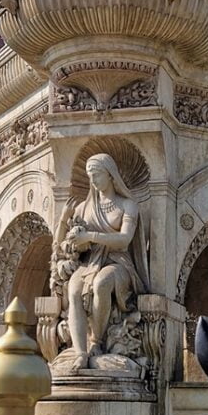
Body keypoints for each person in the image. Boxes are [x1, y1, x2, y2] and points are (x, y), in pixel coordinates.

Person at [53, 154, 148, 371]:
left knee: (102, 284)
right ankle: (80, 352)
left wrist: (91, 236)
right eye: (90, 177)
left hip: (119, 263)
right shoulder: (83, 208)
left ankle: (95, 342)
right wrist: (65, 223)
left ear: (110, 175)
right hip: (90, 262)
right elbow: (61, 244)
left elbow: (124, 239)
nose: (93, 181)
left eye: (97, 175)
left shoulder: (128, 205)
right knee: (74, 290)